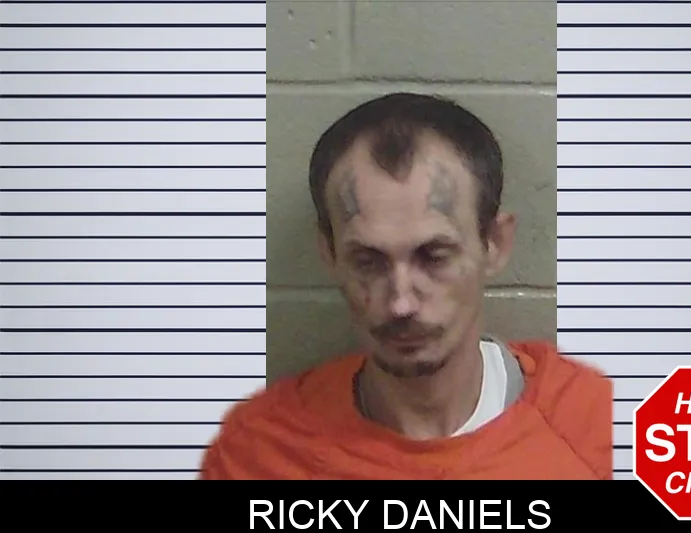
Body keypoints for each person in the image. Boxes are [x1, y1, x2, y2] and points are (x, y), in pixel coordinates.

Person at [199, 92, 613, 480]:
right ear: (330, 254)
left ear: (494, 244)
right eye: (368, 261)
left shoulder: (600, 429)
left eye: (434, 256)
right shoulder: (257, 454)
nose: (401, 302)